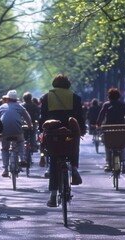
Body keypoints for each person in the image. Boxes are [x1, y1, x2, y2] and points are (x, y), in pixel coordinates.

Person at [39, 74, 86, 207]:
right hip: (70, 130)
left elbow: (43, 116)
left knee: (54, 159)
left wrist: (40, 128)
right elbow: (79, 116)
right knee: (73, 147)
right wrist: (81, 129)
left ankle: (53, 196)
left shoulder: (46, 97)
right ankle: (74, 168)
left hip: (53, 132)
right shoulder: (75, 97)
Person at [96, 88, 125, 173]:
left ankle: (108, 162)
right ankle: (124, 164)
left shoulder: (106, 105)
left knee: (107, 143)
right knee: (123, 144)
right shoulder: (122, 105)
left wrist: (98, 124)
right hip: (121, 128)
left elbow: (101, 115)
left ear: (109, 96)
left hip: (109, 128)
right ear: (118, 96)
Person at [0, 90, 33, 177]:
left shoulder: (1, 107)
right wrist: (29, 126)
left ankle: (5, 169)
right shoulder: (19, 106)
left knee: (5, 149)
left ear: (7, 99)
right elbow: (27, 117)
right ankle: (22, 158)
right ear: (16, 100)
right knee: (20, 141)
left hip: (4, 131)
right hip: (17, 131)